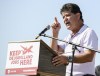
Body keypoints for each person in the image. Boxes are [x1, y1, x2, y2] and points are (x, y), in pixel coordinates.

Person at [51, 3, 98, 76]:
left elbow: (89, 56)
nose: (65, 19)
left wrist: (67, 59)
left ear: (78, 16)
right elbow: (54, 53)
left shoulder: (88, 32)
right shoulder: (68, 38)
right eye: (63, 17)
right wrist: (55, 34)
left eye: (68, 15)